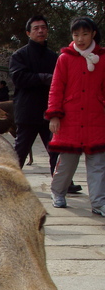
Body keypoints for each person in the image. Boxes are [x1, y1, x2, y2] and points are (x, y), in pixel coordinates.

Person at [10, 14, 82, 194]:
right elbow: (19, 78)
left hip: (50, 110)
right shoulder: (19, 55)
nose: (40, 31)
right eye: (36, 28)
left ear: (47, 31)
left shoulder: (55, 57)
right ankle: (9, 181)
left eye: (43, 27)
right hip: (27, 110)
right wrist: (45, 78)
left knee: (55, 148)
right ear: (28, 32)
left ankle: (63, 182)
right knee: (20, 150)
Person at [46, 17, 105, 216]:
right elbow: (56, 88)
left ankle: (98, 203)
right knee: (67, 161)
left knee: (98, 164)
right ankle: (58, 192)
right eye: (76, 34)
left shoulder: (103, 58)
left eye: (85, 34)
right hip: (69, 119)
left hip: (96, 119)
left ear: (93, 34)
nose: (80, 39)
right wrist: (54, 115)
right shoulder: (65, 58)